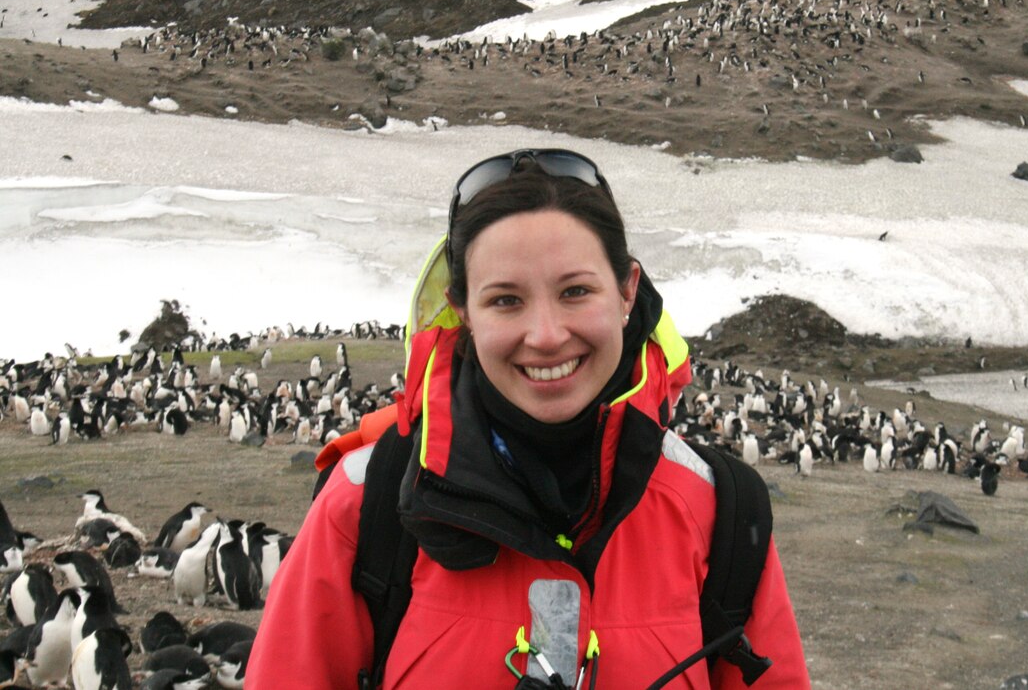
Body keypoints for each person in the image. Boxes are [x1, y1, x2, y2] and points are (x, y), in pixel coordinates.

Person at [247, 148, 810, 688]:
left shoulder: (720, 514)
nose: (545, 336)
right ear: (463, 311)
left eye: (575, 291)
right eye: (505, 301)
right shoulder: (366, 505)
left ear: (626, 292)